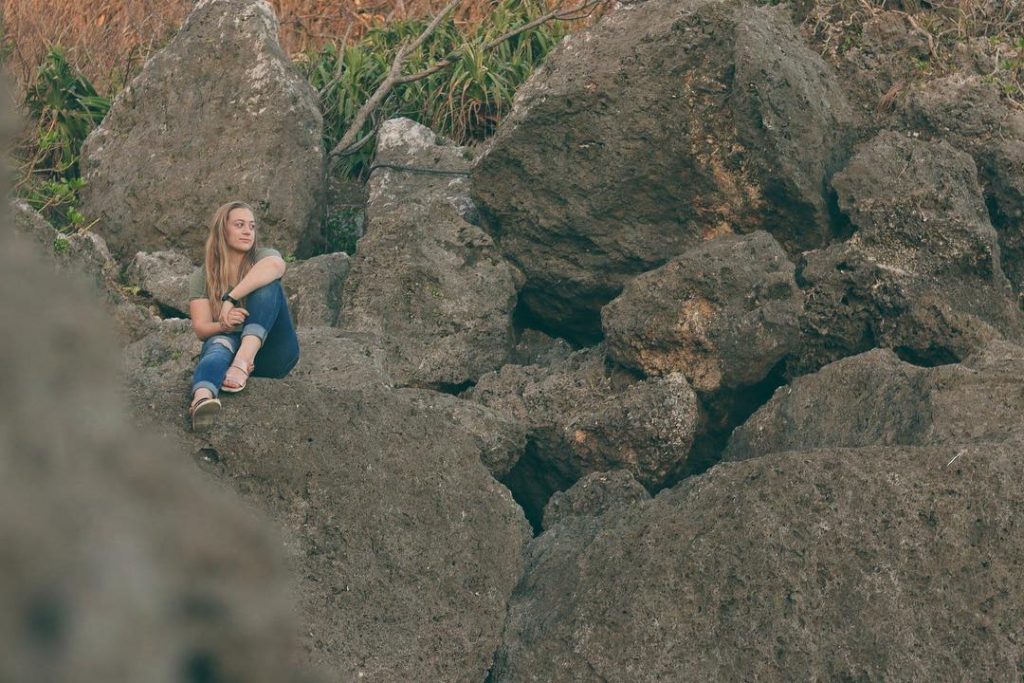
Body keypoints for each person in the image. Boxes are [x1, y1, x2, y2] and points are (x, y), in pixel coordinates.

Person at [187, 201, 300, 430]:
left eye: (252, 226)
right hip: (230, 341)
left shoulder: (263, 257)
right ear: (223, 230)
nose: (248, 231)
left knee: (270, 286)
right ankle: (202, 400)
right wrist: (224, 324)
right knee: (217, 346)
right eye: (239, 225)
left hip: (272, 351)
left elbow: (276, 266)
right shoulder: (203, 276)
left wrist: (230, 299)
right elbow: (201, 328)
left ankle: (243, 362)